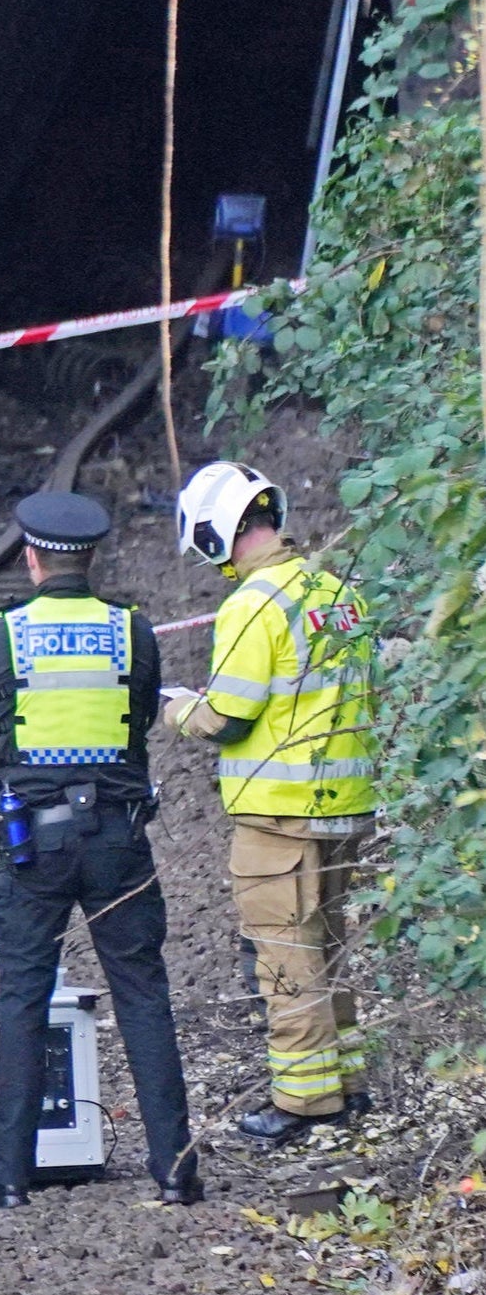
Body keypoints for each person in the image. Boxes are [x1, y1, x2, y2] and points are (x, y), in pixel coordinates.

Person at [0, 489, 198, 1209]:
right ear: (91, 558)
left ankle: (9, 1179)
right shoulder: (133, 631)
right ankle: (177, 1172)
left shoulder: (2, 635)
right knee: (142, 994)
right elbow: (145, 715)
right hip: (118, 840)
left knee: (23, 998)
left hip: (34, 842)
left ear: (31, 557)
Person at [164, 461, 378, 1145]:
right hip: (344, 803)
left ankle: (305, 1101)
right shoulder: (336, 590)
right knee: (327, 946)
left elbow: (228, 714)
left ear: (215, 530)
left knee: (285, 957)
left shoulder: (254, 603)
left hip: (279, 814)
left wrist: (175, 709)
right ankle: (345, 1084)